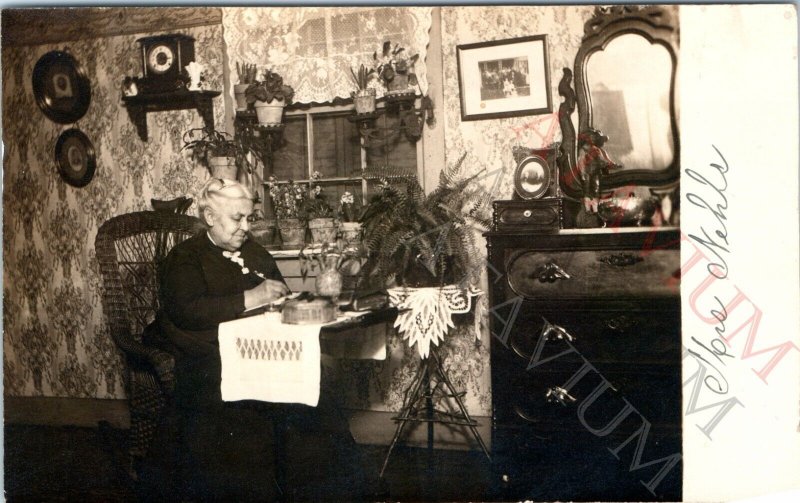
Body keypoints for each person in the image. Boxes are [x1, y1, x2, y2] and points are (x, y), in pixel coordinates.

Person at [149, 178, 365, 501]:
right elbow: (186, 310)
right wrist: (252, 297)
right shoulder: (186, 257)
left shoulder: (254, 251)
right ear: (209, 217)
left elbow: (282, 293)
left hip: (265, 357)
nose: (246, 227)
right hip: (208, 362)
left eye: (249, 218)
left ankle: (333, 487)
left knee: (315, 387)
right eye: (237, 218)